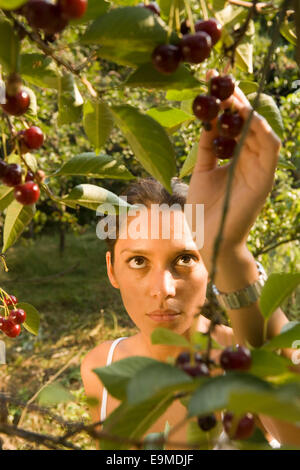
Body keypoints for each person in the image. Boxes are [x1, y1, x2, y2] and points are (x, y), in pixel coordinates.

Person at [81, 71, 300, 450]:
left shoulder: (246, 359)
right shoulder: (99, 368)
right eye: (137, 262)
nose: (163, 289)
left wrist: (229, 251)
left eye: (184, 258)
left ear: (208, 266)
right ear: (111, 270)